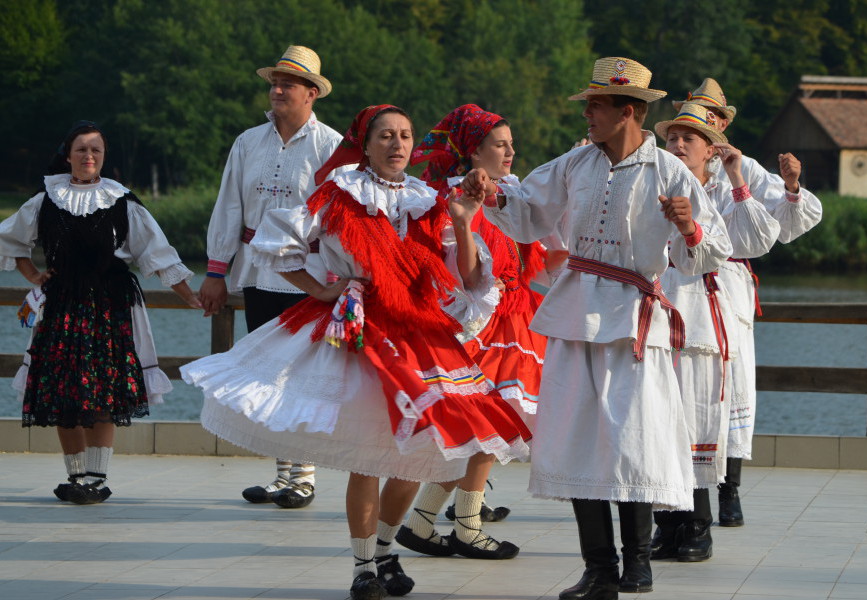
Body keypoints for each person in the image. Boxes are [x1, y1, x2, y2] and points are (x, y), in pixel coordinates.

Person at [182, 105, 532, 600]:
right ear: (364, 145)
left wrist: (465, 220)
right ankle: (364, 565)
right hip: (361, 329)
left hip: (419, 329)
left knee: (422, 454)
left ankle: (387, 550)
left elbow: (473, 279)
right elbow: (277, 243)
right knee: (368, 458)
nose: (397, 144)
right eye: (386, 136)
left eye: (406, 136)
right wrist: (321, 291)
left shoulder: (430, 201)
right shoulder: (339, 193)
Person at [462, 57, 733, 600]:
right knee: (578, 437)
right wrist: (490, 192)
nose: (587, 114)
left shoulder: (670, 172)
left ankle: (638, 565)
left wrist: (689, 226)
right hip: (576, 311)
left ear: (627, 111)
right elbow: (530, 210)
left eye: (596, 105)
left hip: (635, 318)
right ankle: (599, 569)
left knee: (633, 440)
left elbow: (710, 253)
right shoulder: (576, 164)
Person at [0, 120, 201, 505]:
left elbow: (156, 253)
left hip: (108, 307)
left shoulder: (122, 201)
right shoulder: (45, 199)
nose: (89, 156)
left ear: (103, 157)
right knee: (63, 395)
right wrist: (35, 276)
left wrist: (189, 295)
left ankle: (97, 477)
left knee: (102, 392)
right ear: (68, 155)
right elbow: (10, 241)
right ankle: (75, 477)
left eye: (96, 150)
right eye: (82, 149)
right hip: (60, 306)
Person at [395, 104, 550, 559]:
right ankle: (466, 527)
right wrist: (464, 222)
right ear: (474, 151)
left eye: (510, 143)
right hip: (484, 323)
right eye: (500, 145)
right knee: (492, 428)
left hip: (517, 316)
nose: (510, 151)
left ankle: (422, 523)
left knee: (487, 431)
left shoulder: (510, 194)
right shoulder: (452, 199)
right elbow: (464, 277)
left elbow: (537, 259)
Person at [672, 77, 822, 526]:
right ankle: (681, 498)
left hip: (729, 282)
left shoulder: (745, 168)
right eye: (692, 121)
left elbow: (783, 224)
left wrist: (791, 185)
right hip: (680, 281)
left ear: (720, 126)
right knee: (688, 387)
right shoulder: (672, 166)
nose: (700, 129)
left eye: (710, 119)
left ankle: (729, 490)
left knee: (732, 385)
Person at [198, 45, 343, 509]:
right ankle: (284, 474)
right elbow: (228, 207)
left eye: (289, 83)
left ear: (312, 93)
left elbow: (342, 220)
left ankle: (303, 477)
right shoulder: (248, 142)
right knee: (266, 374)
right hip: (259, 272)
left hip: (310, 275)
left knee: (302, 373)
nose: (278, 89)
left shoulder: (333, 148)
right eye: (274, 82)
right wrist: (217, 271)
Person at [651, 103, 781, 562]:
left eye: (690, 138)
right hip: (656, 312)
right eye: (672, 138)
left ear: (710, 148)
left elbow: (759, 240)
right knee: (658, 420)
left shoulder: (722, 191)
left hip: (703, 315)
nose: (679, 145)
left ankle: (698, 524)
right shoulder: (651, 184)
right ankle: (666, 524)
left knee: (696, 417)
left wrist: (740, 180)